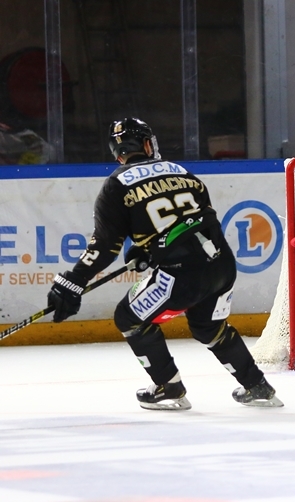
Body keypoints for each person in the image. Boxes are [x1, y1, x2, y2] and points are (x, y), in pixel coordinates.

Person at [46, 117, 282, 410]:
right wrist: (150, 249)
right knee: (209, 327)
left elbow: (105, 247)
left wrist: (73, 281)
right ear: (147, 144)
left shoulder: (116, 184)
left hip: (181, 275)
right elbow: (196, 223)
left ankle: (168, 387)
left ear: (117, 151)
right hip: (222, 266)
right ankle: (257, 386)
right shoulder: (184, 173)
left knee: (128, 317)